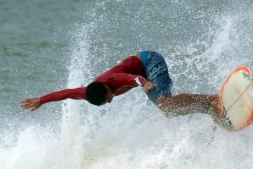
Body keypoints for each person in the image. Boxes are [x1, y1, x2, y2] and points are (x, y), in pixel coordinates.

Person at [20, 50, 223, 122]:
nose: (110, 101)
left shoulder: (113, 80)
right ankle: (208, 107)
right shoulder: (89, 92)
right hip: (144, 73)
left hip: (149, 62)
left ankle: (212, 100)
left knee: (166, 105)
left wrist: (143, 83)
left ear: (107, 89)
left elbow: (131, 79)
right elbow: (66, 93)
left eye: (109, 98)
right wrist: (41, 100)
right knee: (169, 110)